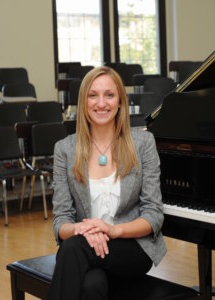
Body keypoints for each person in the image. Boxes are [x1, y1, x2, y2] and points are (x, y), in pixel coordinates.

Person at [47, 66, 166, 300]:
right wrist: (80, 229)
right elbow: (61, 220)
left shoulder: (143, 143)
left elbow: (153, 215)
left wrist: (113, 230)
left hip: (132, 247)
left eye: (109, 95)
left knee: (72, 248)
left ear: (120, 101)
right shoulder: (65, 149)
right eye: (93, 95)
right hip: (86, 246)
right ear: (84, 102)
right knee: (92, 285)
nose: (101, 103)